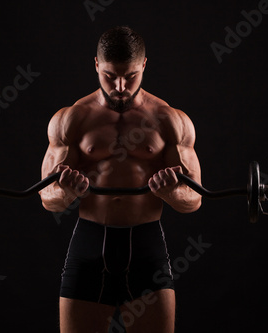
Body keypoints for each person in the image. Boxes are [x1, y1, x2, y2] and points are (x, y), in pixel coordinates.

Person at [39, 26, 202, 333]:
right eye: (110, 76)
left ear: (143, 65)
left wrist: (171, 194)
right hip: (89, 245)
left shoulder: (170, 120)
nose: (120, 86)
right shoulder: (72, 119)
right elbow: (47, 197)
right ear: (97, 65)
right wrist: (66, 193)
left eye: (130, 76)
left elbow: (194, 200)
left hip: (146, 246)